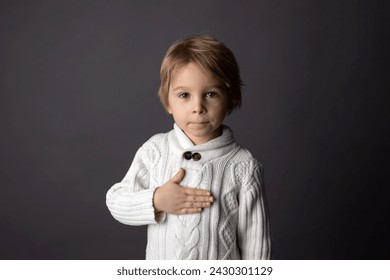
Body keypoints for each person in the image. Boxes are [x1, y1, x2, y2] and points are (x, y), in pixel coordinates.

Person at [106, 34, 271, 260]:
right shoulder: (155, 150)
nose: (198, 107)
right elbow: (117, 201)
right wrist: (156, 200)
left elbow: (256, 243)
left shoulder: (243, 166)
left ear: (231, 98)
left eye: (211, 94)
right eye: (184, 95)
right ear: (168, 102)